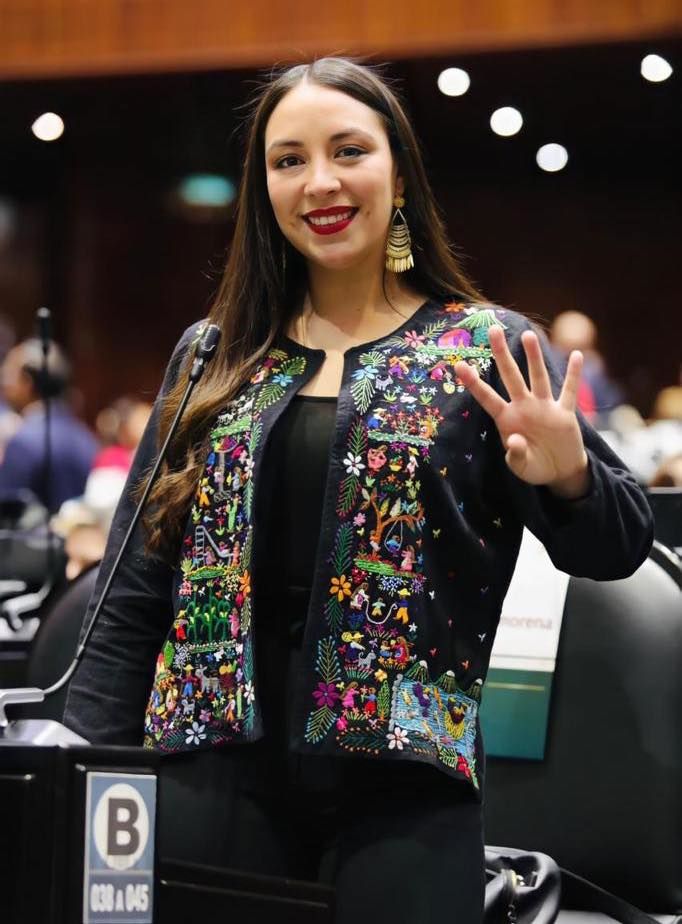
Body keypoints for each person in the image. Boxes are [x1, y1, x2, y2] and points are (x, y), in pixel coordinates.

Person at [63, 58, 653, 922]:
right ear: (264, 187)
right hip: (207, 769)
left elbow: (620, 544)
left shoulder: (483, 350)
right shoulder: (213, 355)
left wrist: (569, 476)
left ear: (400, 174)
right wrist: (80, 770)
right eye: (289, 160)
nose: (321, 183)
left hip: (405, 792)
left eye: (348, 151)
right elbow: (132, 595)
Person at [0, 338, 98, 510]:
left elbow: (8, 516)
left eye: (8, 374)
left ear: (27, 382)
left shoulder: (22, 442)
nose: (3, 383)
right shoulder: (85, 437)